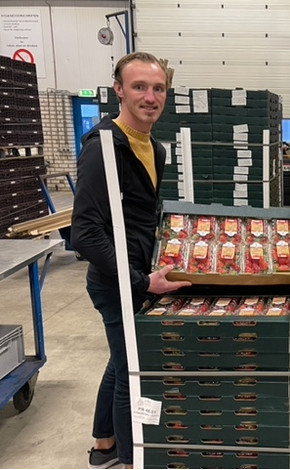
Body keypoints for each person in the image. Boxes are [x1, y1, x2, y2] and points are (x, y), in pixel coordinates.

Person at [71, 52, 191, 469]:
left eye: (158, 88)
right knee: (131, 373)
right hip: (116, 282)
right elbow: (85, 233)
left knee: (119, 359)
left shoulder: (154, 149)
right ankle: (129, 460)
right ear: (119, 90)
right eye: (139, 87)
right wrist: (140, 282)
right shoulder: (103, 147)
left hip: (138, 273)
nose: (150, 97)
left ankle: (104, 444)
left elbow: (140, 217)